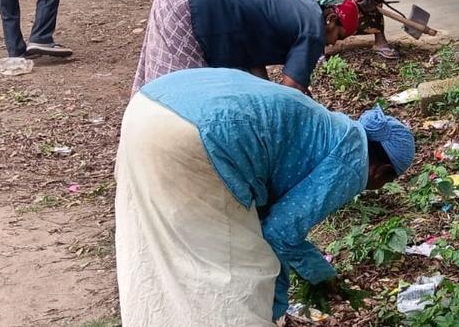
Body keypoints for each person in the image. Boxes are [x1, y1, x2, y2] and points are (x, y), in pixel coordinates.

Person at [114, 67, 414, 326]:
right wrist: (318, 279)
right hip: (201, 134)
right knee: (238, 267)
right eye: (386, 182)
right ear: (381, 171)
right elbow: (280, 233)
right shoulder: (353, 161)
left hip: (153, 103)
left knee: (165, 245)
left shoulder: (333, 128)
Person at [130, 0, 359, 95]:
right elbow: (291, 94)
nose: (332, 44)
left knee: (160, 84)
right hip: (189, 3)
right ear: (330, 19)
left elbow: (255, 71)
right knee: (178, 98)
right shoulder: (312, 26)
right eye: (338, 36)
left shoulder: (299, 8)